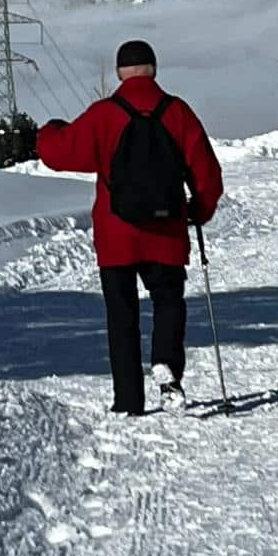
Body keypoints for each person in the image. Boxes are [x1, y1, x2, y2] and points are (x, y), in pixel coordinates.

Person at [35, 40, 224, 415]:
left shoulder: (105, 114)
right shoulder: (177, 112)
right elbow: (207, 176)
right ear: (154, 69)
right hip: (166, 232)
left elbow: (59, 151)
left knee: (121, 317)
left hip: (116, 235)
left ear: (120, 73)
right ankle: (166, 364)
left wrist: (48, 130)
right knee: (168, 303)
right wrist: (197, 211)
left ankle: (128, 400)